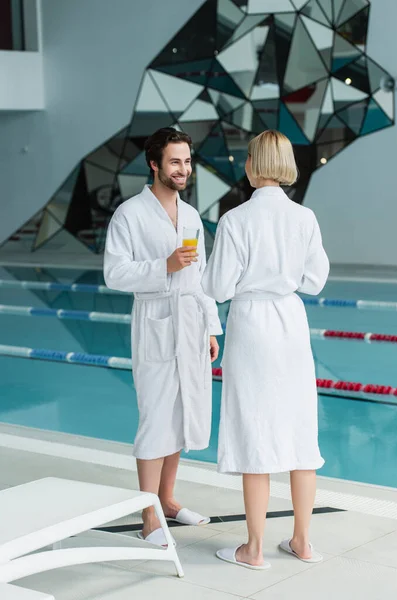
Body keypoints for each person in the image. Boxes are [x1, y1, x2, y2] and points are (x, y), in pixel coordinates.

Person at [202, 130, 329, 570]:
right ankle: (302, 542)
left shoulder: (236, 219)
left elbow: (217, 287)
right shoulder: (304, 218)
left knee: (254, 429)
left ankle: (253, 550)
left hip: (252, 325)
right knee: (299, 431)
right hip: (291, 325)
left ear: (254, 165)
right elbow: (315, 281)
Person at [104, 127, 222, 546]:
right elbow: (114, 272)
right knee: (155, 417)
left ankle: (168, 500)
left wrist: (210, 326)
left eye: (187, 161)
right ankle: (148, 517)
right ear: (154, 164)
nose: (183, 169)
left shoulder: (190, 216)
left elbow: (202, 277)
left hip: (190, 323)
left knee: (183, 412)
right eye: (175, 161)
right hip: (155, 322)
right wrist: (163, 265)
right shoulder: (130, 214)